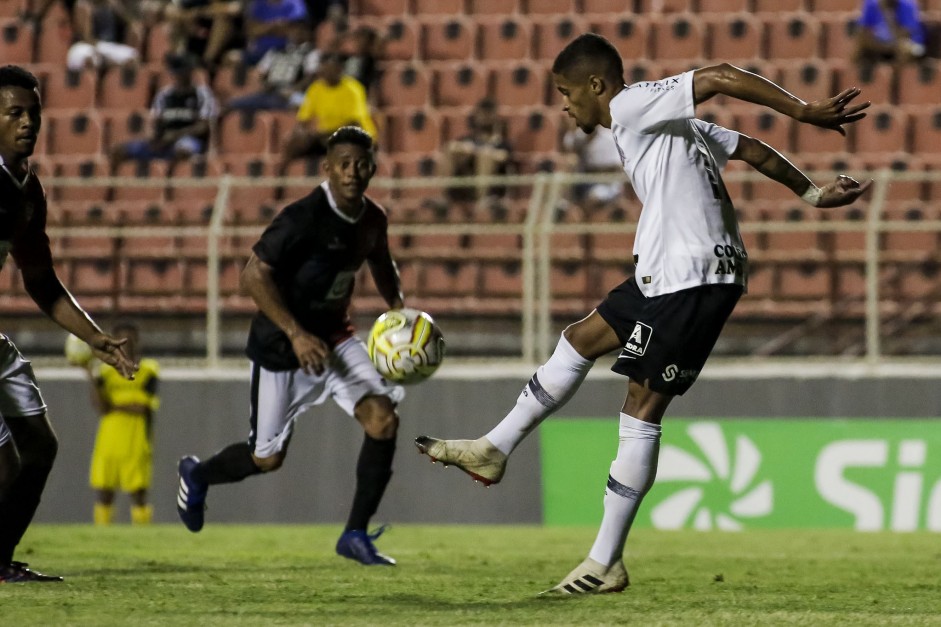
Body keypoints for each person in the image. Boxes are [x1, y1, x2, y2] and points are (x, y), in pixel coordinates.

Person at [415, 33, 872, 595]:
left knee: (640, 408)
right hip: (664, 271)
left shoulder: (632, 105)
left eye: (565, 92)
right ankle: (494, 448)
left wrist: (803, 111)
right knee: (580, 339)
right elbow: (751, 149)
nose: (563, 105)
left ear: (596, 86)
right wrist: (814, 196)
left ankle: (605, 561)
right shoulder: (668, 128)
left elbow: (721, 74)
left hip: (694, 275)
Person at [176, 126, 407, 566]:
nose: (353, 172)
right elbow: (252, 275)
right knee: (267, 458)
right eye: (344, 164)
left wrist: (400, 309)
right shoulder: (303, 217)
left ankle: (355, 534)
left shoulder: (373, 218)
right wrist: (296, 333)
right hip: (281, 346)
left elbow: (380, 259)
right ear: (327, 168)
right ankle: (198, 474)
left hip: (336, 337)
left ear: (373, 168)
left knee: (382, 420)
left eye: (361, 164)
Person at [0, 65, 137, 583]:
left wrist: (95, 338)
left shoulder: (28, 193)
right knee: (4, 465)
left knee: (39, 446)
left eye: (33, 112)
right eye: (14, 112)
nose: (27, 122)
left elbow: (42, 281)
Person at [83, 322, 159, 526]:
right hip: (109, 438)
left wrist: (114, 405)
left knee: (138, 493)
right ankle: (102, 535)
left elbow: (143, 407)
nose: (126, 346)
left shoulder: (148, 370)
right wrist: (88, 373)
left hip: (136, 438)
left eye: (130, 340)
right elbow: (101, 407)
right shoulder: (105, 373)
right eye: (121, 341)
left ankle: (143, 535)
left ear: (137, 341)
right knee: (104, 491)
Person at [109, 52, 218, 171]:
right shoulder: (164, 95)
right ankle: (116, 187)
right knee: (118, 151)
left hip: (189, 140)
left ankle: (169, 185)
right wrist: (156, 139)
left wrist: (175, 135)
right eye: (177, 72)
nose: (180, 76)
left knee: (182, 150)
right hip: (165, 141)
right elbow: (157, 122)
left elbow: (202, 126)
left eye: (183, 71)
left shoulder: (202, 94)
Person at [276, 50, 376, 176]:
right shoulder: (316, 88)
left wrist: (325, 135)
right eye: (323, 68)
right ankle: (280, 183)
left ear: (340, 69)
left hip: (352, 136)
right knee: (293, 143)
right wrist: (301, 133)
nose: (325, 72)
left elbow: (354, 123)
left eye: (330, 68)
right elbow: (303, 119)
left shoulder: (353, 89)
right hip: (324, 137)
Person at [442, 98, 512, 203]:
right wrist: (465, 150)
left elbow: (503, 156)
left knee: (485, 156)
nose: (485, 118)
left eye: (489, 114)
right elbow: (452, 146)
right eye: (482, 114)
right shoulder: (467, 140)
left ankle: (481, 200)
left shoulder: (502, 143)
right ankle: (443, 197)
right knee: (450, 150)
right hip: (466, 182)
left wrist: (475, 150)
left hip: (493, 188)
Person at [560, 123, 624, 214]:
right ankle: (565, 201)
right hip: (582, 180)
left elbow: (616, 168)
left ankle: (585, 225)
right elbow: (567, 150)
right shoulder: (578, 135)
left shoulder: (609, 138)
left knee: (592, 199)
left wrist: (591, 169)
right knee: (570, 162)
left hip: (605, 183)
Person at [66, 0, 141, 72]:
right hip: (86, 45)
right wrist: (103, 56)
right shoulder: (83, 5)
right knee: (88, 59)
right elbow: (85, 38)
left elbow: (132, 23)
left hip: (107, 47)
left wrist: (117, 7)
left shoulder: (111, 5)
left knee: (132, 57)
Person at [854, 0, 927, 66]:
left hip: (908, 44)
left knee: (904, 48)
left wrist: (886, 13)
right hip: (881, 44)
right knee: (859, 45)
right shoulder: (871, 3)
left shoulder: (908, 4)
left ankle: (896, 78)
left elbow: (904, 36)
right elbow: (863, 31)